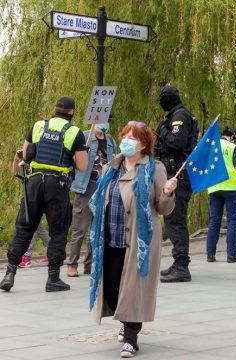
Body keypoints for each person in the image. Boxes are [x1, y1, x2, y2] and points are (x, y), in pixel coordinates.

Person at [89, 121, 177, 358]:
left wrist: (167, 193)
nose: (127, 140)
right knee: (113, 290)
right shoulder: (112, 167)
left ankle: (131, 338)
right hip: (111, 239)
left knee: (134, 291)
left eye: (133, 137)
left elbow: (162, 207)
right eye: (125, 135)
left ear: (144, 143)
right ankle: (124, 323)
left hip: (139, 242)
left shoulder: (153, 168)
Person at [0, 96, 88, 293]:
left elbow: (26, 153)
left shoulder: (38, 125)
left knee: (23, 228)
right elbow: (82, 166)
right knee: (58, 231)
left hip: (33, 182)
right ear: (72, 112)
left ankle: (10, 273)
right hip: (57, 185)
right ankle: (53, 278)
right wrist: (73, 156)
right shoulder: (75, 133)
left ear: (55, 109)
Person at [154, 84, 198, 283]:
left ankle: (182, 266)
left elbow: (177, 142)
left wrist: (163, 132)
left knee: (176, 219)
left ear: (168, 99)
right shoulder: (174, 115)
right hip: (172, 172)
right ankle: (178, 260)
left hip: (177, 174)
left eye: (162, 100)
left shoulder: (179, 115)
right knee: (172, 220)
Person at [67, 121, 117, 277]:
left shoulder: (110, 141)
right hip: (86, 186)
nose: (105, 123)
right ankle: (72, 264)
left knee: (97, 228)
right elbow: (73, 159)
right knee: (80, 227)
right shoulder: (84, 136)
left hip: (104, 186)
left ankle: (89, 264)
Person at [206, 126, 236, 263]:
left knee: (214, 222)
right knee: (232, 221)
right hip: (231, 188)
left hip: (214, 188)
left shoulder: (212, 148)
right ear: (232, 137)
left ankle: (210, 254)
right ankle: (231, 254)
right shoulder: (232, 147)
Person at [11, 149, 49, 268]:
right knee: (38, 227)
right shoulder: (26, 163)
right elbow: (15, 172)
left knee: (32, 225)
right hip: (30, 196)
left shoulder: (39, 162)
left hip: (39, 195)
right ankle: (54, 250)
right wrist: (16, 159)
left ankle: (27, 257)